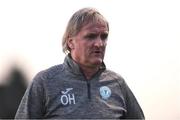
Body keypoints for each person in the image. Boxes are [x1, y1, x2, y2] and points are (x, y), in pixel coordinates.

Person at [15, 7, 145, 119]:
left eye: (104, 36)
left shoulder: (117, 83)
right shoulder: (44, 82)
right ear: (70, 42)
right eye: (91, 36)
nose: (99, 43)